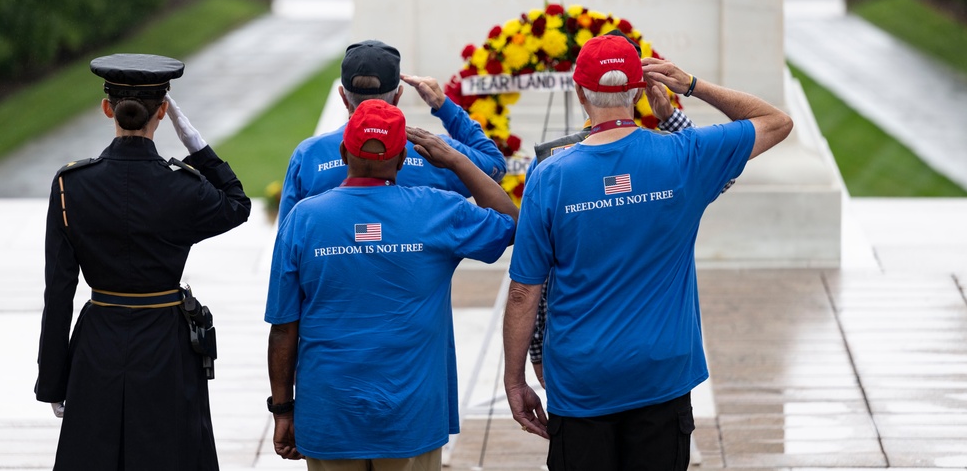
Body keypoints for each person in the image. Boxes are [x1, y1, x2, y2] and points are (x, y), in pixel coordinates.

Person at [502, 35, 793, 470]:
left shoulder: (549, 176)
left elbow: (526, 292)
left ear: (580, 93)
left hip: (583, 379)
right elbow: (776, 121)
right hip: (661, 374)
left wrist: (514, 380)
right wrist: (691, 85)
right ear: (638, 91)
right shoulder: (684, 155)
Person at [265, 100, 518, 469]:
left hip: (329, 412)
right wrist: (457, 161)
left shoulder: (303, 219)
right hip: (411, 415)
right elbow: (512, 224)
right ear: (402, 159)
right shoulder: (438, 209)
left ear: (342, 152)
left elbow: (283, 329)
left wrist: (283, 410)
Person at [35, 53, 251, 470]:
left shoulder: (71, 186)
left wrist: (53, 380)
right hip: (166, 344)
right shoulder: (184, 187)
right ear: (164, 112)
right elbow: (237, 204)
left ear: (106, 108)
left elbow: (59, 291)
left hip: (98, 343)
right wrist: (197, 146)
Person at [526, 34, 734, 386]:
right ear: (639, 90)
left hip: (582, 362)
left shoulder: (552, 164)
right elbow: (726, 170)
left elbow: (535, 281)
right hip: (659, 364)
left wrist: (535, 353)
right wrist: (673, 115)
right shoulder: (675, 158)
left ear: (582, 90)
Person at [277, 39, 506, 221]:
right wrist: (443, 106)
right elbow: (494, 167)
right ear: (397, 96)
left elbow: (288, 243)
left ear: (343, 97)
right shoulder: (435, 151)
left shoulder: (307, 155)